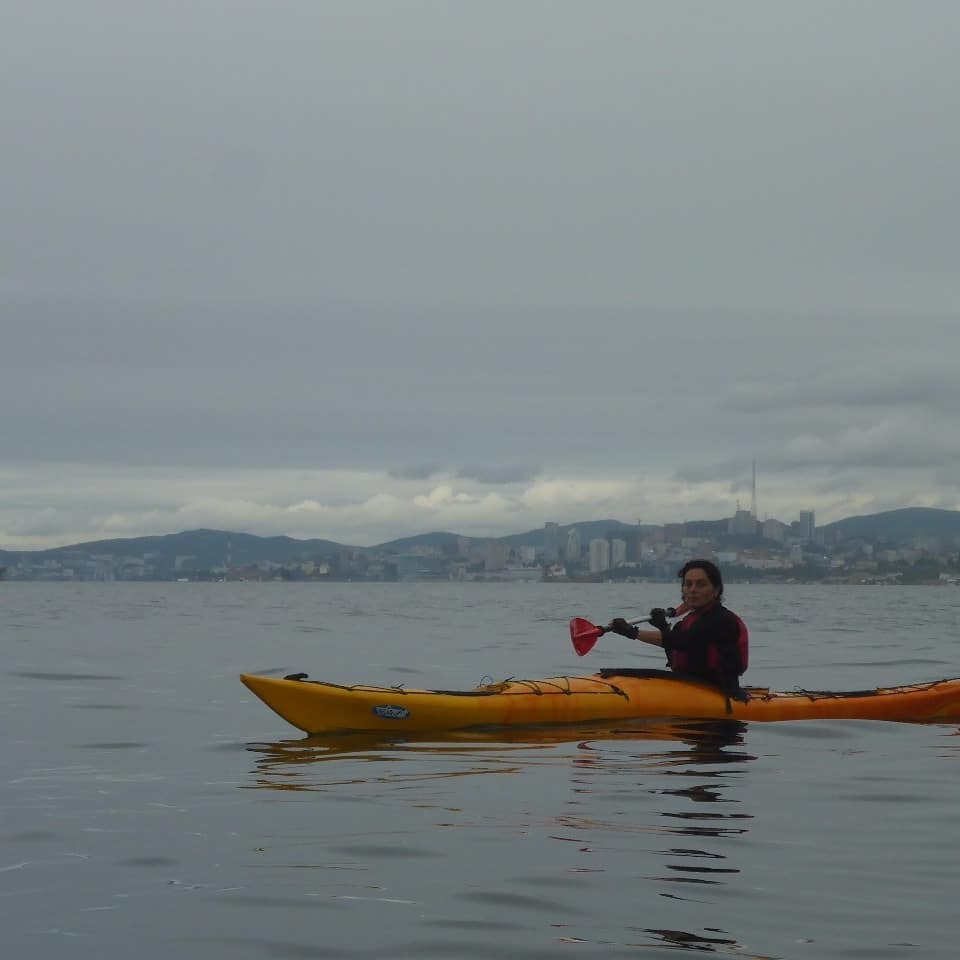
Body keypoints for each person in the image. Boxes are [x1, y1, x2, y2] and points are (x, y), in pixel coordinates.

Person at [607, 559, 748, 692]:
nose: (693, 590)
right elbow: (675, 651)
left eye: (701, 584)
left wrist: (631, 632)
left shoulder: (722, 620)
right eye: (688, 584)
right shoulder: (687, 622)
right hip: (689, 685)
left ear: (716, 590)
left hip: (719, 690)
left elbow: (684, 640)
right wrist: (663, 627)